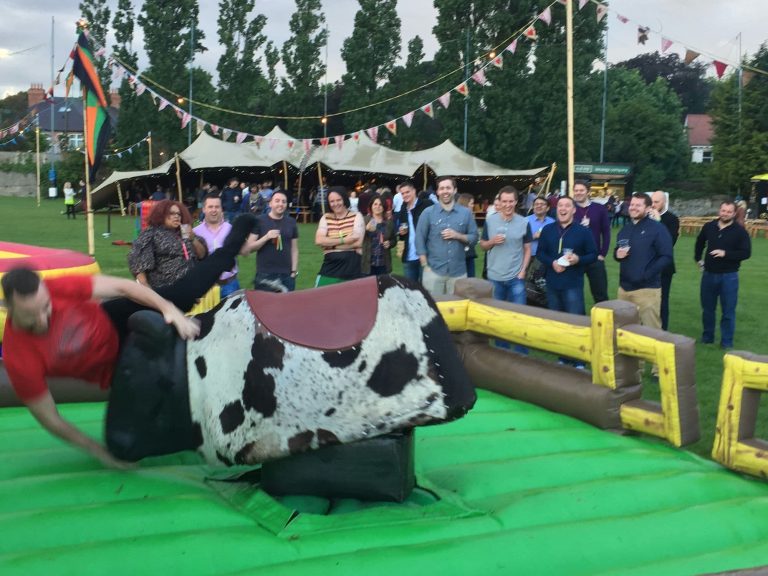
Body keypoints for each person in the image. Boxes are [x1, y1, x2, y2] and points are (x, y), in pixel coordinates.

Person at [0, 214, 258, 468]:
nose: (43, 319)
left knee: (184, 293)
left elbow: (126, 288)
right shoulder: (18, 356)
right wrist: (99, 452)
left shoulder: (57, 288)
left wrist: (170, 311)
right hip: (116, 370)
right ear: (8, 308)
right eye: (31, 317)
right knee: (124, 446)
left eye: (46, 308)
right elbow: (51, 419)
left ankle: (233, 243)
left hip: (114, 322)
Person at [536, 195, 597, 367]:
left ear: (573, 210)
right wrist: (552, 263)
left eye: (567, 206)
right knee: (558, 321)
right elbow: (540, 253)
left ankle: (580, 359)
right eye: (560, 206)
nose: (563, 209)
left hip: (572, 283)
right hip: (553, 283)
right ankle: (563, 356)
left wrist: (577, 259)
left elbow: (593, 254)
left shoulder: (583, 232)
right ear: (557, 209)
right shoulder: (548, 230)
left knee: (576, 321)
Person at [694, 200, 752, 349]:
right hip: (708, 275)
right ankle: (707, 338)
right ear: (719, 211)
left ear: (734, 213)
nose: (725, 213)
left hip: (729, 276)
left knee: (728, 311)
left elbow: (746, 253)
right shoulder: (709, 227)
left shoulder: (739, 232)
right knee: (707, 309)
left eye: (728, 211)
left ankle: (726, 342)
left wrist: (725, 253)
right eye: (723, 210)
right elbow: (700, 242)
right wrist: (698, 259)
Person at [478, 186, 531, 349]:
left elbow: (527, 249)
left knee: (519, 317)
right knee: (498, 318)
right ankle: (503, 352)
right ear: (499, 203)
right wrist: (492, 241)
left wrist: (522, 271)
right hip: (495, 277)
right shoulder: (490, 220)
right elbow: (483, 246)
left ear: (516, 202)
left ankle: (521, 353)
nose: (508, 205)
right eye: (504, 201)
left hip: (516, 278)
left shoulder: (524, 222)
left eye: (511, 201)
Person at [614, 192, 673, 333]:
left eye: (638, 205)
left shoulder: (658, 229)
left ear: (647, 208)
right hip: (624, 289)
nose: (633, 208)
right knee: (624, 331)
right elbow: (618, 250)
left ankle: (652, 356)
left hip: (647, 290)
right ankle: (630, 356)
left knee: (650, 332)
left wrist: (646, 275)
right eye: (632, 204)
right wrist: (617, 254)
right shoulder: (625, 229)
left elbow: (666, 256)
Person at [416, 176, 478, 296]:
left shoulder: (465, 213)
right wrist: (425, 265)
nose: (445, 191)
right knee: (434, 309)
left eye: (448, 188)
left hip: (458, 273)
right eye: (442, 188)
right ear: (438, 191)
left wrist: (458, 236)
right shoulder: (428, 213)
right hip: (433, 272)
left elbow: (474, 237)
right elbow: (419, 239)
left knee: (456, 310)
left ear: (454, 190)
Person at [128, 200, 208, 289]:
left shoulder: (185, 232)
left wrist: (193, 239)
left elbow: (202, 255)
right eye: (171, 213)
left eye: (179, 214)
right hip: (163, 290)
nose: (176, 216)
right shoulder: (152, 234)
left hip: (188, 289)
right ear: (161, 214)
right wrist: (146, 289)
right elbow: (137, 263)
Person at [314, 186, 365, 286]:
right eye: (332, 201)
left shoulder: (356, 216)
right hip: (329, 269)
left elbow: (358, 242)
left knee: (350, 301)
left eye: (338, 200)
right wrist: (346, 240)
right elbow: (319, 240)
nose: (336, 204)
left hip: (352, 270)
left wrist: (330, 245)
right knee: (321, 299)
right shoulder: (326, 217)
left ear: (344, 199)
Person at [193, 193, 241, 298]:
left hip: (230, 285)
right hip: (206, 287)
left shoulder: (231, 229)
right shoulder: (195, 232)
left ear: (221, 209)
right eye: (210, 207)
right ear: (204, 209)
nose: (214, 210)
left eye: (217, 207)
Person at [251, 189, 300, 291]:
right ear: (270, 204)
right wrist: (266, 237)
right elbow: (250, 247)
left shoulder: (291, 222)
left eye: (283, 201)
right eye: (277, 201)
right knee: (263, 306)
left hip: (287, 276)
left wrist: (293, 272)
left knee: (287, 307)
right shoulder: (259, 221)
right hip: (265, 275)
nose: (280, 204)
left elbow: (294, 249)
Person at [572, 180, 611, 304]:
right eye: (576, 190)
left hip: (595, 257)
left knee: (600, 294)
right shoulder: (569, 209)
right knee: (573, 294)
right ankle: (577, 320)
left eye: (581, 190)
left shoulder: (599, 209)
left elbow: (606, 232)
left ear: (588, 192)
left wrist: (602, 254)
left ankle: (603, 320)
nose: (578, 193)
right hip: (575, 257)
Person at [649, 191, 680, 331]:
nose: (653, 205)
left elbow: (669, 243)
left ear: (664, 202)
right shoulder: (645, 218)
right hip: (645, 266)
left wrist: (658, 222)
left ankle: (662, 331)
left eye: (657, 202)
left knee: (662, 300)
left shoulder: (672, 219)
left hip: (663, 268)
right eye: (652, 201)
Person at [396, 179, 433, 283]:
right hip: (409, 255)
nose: (405, 195)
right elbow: (403, 232)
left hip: (426, 254)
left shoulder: (426, 204)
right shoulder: (403, 209)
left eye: (407, 192)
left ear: (414, 191)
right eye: (402, 193)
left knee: (426, 288)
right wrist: (401, 232)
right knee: (410, 289)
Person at [362, 195, 398, 276]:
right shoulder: (365, 220)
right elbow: (357, 238)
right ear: (371, 206)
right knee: (368, 288)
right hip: (368, 263)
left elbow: (394, 240)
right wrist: (366, 229)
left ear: (384, 207)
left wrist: (390, 243)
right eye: (375, 204)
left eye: (380, 204)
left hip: (383, 263)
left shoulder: (389, 223)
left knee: (382, 287)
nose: (377, 207)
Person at [456, 193, 478, 277]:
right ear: (465, 203)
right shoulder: (458, 218)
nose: (473, 206)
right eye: (471, 203)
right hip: (460, 256)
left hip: (469, 254)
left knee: (470, 282)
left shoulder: (470, 217)